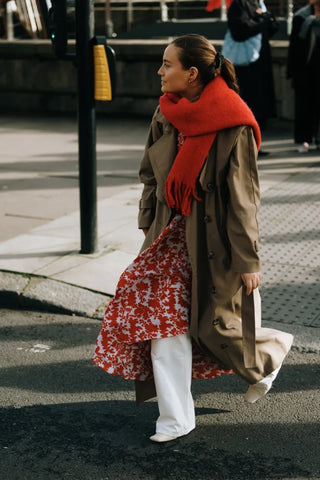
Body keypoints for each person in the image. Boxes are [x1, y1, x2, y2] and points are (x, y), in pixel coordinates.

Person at [93, 34, 293, 443]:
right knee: (163, 327)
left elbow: (243, 200)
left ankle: (268, 357)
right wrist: (148, 221)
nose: (160, 71)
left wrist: (248, 260)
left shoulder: (232, 122)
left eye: (167, 64)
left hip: (211, 244)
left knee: (213, 329)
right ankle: (175, 417)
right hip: (168, 238)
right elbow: (150, 173)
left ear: (192, 73)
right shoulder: (166, 112)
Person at [222, 0, 278, 155]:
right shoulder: (239, 4)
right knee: (247, 105)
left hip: (260, 64)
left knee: (258, 107)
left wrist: (268, 20)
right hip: (246, 68)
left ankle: (254, 146)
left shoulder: (259, 3)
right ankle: (244, 147)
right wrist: (263, 19)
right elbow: (239, 31)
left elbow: (267, 29)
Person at [287, 0, 320, 153]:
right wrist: (292, 71)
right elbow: (294, 46)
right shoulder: (301, 17)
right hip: (304, 68)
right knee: (303, 105)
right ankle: (303, 139)